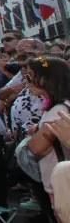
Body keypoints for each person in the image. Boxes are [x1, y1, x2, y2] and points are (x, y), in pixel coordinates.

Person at [26, 56, 70, 216]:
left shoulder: (58, 110)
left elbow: (35, 148)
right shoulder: (58, 106)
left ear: (47, 79)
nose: (27, 80)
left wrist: (37, 133)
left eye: (30, 75)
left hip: (61, 185)